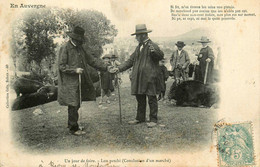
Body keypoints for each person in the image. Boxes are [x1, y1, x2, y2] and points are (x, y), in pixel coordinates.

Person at [58, 26, 112, 136]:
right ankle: (74, 128)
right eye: (78, 40)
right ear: (73, 38)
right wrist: (74, 70)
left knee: (77, 103)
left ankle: (71, 124)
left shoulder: (80, 48)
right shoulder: (65, 48)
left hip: (81, 80)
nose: (80, 42)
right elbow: (61, 66)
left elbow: (92, 61)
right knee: (73, 103)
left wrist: (106, 68)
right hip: (70, 82)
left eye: (80, 40)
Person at [113, 24, 164, 128]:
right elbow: (130, 61)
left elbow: (160, 56)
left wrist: (154, 52)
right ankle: (140, 118)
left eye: (137, 36)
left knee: (151, 98)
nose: (136, 38)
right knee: (140, 97)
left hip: (150, 77)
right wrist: (119, 68)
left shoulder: (152, 45)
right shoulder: (138, 48)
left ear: (143, 35)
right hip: (139, 78)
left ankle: (153, 119)